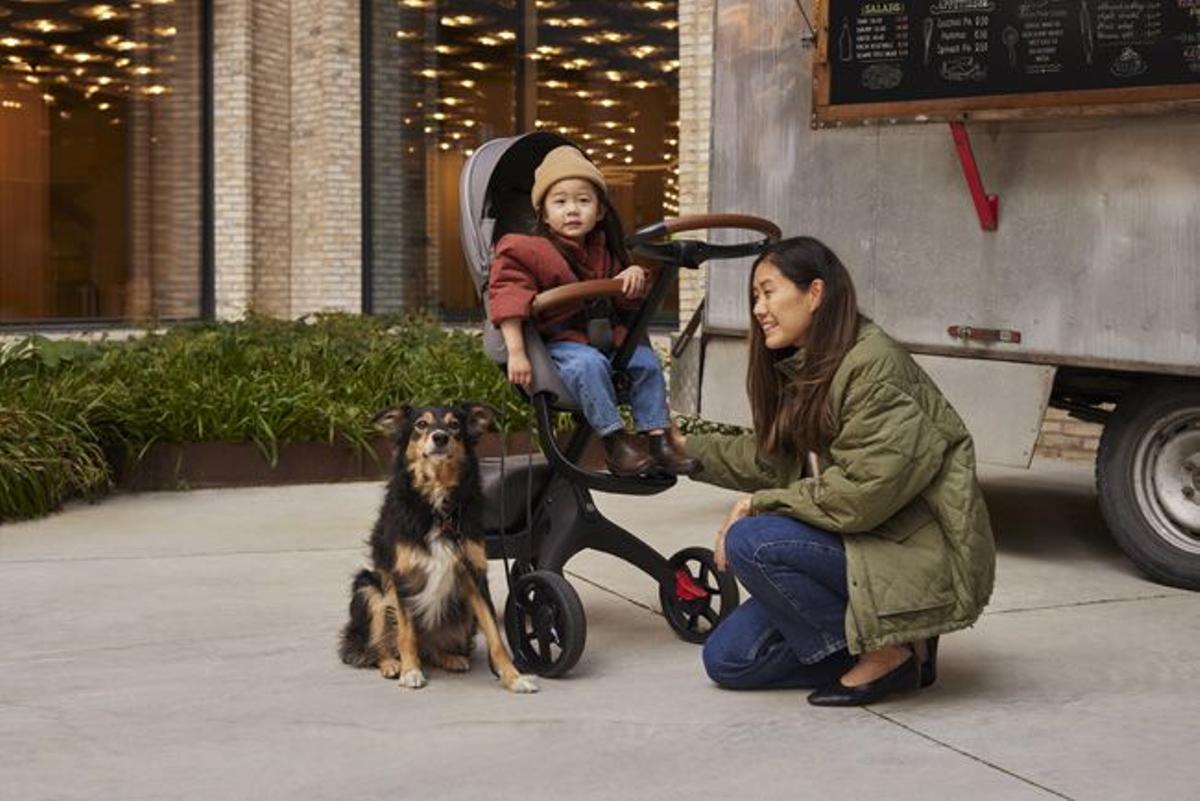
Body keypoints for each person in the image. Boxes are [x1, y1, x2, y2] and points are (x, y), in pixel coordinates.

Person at [681, 236, 995, 705]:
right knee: (728, 660)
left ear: (815, 294)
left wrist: (757, 503)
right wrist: (682, 448)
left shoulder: (874, 368)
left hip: (907, 552)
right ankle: (902, 648)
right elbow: (771, 461)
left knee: (752, 538)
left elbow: (861, 496)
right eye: (754, 297)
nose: (759, 309)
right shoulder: (808, 367)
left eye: (768, 292)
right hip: (862, 545)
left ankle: (888, 653)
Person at [488, 144, 698, 478]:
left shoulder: (607, 251)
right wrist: (516, 352)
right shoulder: (524, 250)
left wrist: (630, 280)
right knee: (589, 363)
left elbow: (625, 307)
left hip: (606, 340)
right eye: (561, 202)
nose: (572, 210)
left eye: (583, 201)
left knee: (644, 361)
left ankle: (658, 440)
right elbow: (508, 297)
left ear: (599, 211)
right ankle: (614, 443)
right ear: (543, 213)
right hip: (558, 345)